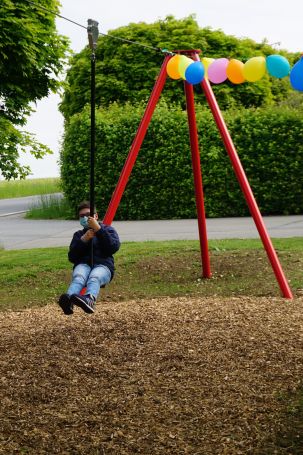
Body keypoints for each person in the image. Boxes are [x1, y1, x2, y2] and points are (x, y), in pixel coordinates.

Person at [58, 201, 120, 315]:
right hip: (83, 264)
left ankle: (90, 299)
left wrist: (99, 230)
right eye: (82, 216)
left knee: (95, 276)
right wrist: (83, 240)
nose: (85, 217)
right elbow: (72, 257)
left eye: (88, 214)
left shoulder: (108, 230)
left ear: (95, 216)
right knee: (79, 276)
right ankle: (68, 300)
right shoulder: (78, 235)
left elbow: (113, 247)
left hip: (103, 266)